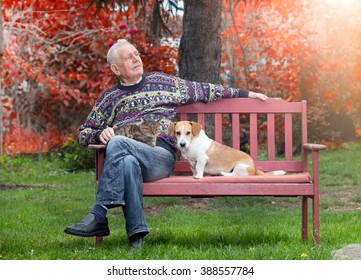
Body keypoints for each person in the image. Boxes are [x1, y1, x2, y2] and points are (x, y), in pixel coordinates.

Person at [64, 39, 269, 250]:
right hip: (127, 155)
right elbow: (83, 134)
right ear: (115, 68)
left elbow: (204, 89)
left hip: (159, 157)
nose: (136, 58)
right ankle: (136, 238)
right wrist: (99, 134)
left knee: (117, 142)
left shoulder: (164, 83)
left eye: (136, 53)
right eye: (128, 57)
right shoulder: (109, 98)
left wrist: (245, 93)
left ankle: (98, 214)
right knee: (127, 162)